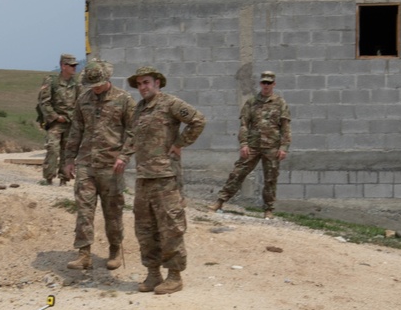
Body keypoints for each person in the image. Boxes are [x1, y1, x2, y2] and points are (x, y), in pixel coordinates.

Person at [115, 66, 206, 294]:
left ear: (157, 83)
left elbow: (198, 120)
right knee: (145, 229)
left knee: (171, 227)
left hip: (166, 177)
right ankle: (153, 273)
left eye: (146, 82)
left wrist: (179, 144)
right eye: (139, 84)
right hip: (144, 177)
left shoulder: (170, 104)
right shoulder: (139, 110)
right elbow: (133, 136)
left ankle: (174, 276)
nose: (142, 87)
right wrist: (124, 157)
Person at [62, 60, 136, 271]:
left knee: (112, 211)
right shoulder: (83, 100)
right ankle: (84, 253)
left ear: (108, 80)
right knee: (84, 209)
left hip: (111, 165)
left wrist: (124, 156)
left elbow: (133, 131)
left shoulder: (124, 100)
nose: (95, 88)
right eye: (92, 85)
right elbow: (75, 130)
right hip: (86, 163)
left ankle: (114, 249)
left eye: (99, 84)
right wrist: (69, 160)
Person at [209, 70, 292, 219]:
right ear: (260, 84)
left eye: (269, 83)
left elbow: (285, 127)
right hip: (252, 146)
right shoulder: (252, 102)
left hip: (272, 147)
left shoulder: (280, 103)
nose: (266, 85)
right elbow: (244, 124)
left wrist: (284, 147)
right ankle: (220, 201)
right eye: (263, 82)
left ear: (274, 84)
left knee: (270, 178)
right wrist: (244, 144)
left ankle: (269, 210)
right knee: (237, 173)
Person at [37, 53, 81, 186]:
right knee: (53, 148)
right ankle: (49, 177)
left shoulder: (76, 84)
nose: (74, 68)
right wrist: (56, 117)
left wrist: (74, 118)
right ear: (63, 66)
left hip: (70, 122)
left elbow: (80, 103)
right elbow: (44, 102)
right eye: (71, 65)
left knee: (67, 151)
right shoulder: (52, 81)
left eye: (75, 65)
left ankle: (64, 178)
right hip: (56, 122)